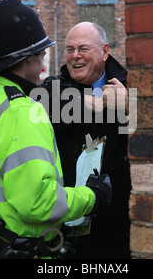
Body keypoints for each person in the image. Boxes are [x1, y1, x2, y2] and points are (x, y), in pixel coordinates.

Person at [0, 0, 111, 259]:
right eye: (41, 55)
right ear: (26, 58)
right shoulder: (23, 111)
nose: (44, 66)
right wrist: (91, 196)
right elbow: (39, 203)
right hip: (22, 251)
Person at [41, 22, 131, 259]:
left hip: (115, 227)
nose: (75, 56)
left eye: (83, 48)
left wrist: (129, 106)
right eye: (69, 49)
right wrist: (79, 103)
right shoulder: (53, 89)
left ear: (104, 51)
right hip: (66, 224)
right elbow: (32, 108)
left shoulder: (127, 88)